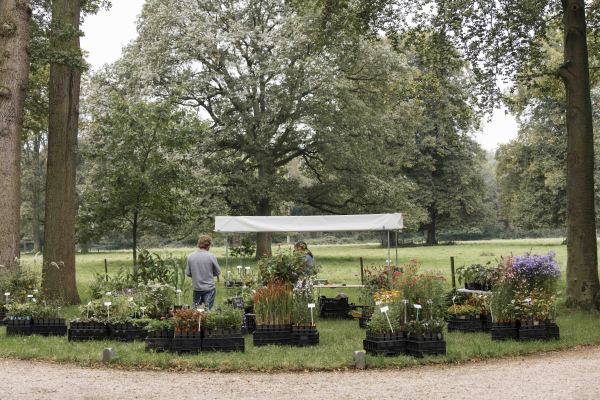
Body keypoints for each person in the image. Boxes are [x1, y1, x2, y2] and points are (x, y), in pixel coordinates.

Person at [186, 235, 221, 310]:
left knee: (196, 310)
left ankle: (197, 321)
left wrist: (197, 274)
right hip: (209, 288)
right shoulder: (211, 256)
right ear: (208, 245)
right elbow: (218, 272)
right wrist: (209, 273)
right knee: (206, 310)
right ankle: (205, 321)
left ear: (198, 244)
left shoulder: (190, 256)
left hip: (197, 288)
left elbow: (188, 273)